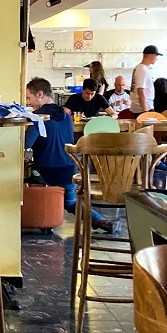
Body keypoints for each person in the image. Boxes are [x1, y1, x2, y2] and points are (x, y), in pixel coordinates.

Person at [24, 78, 113, 233]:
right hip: (69, 170)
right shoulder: (67, 116)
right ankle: (100, 221)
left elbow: (26, 144)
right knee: (70, 202)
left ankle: (40, 221)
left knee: (17, 180)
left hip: (45, 173)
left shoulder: (38, 117)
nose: (28, 102)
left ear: (39, 94)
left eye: (29, 98)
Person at [130, 45, 160, 112]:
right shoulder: (142, 69)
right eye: (156, 56)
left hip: (139, 107)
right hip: (144, 107)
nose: (156, 58)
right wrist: (145, 110)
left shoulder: (139, 68)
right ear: (151, 55)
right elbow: (140, 90)